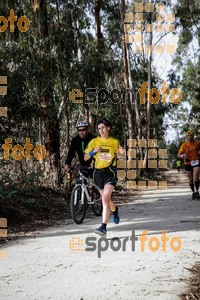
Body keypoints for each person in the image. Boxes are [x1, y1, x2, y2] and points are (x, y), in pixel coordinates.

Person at [84, 118, 125, 236]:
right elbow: (86, 157)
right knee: (106, 199)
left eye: (103, 128)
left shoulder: (114, 142)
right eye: (99, 128)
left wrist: (122, 152)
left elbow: (121, 155)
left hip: (110, 172)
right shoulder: (94, 141)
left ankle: (103, 227)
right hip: (98, 173)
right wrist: (93, 152)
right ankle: (115, 210)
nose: (101, 130)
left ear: (108, 128)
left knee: (106, 196)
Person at [177, 130, 200, 200]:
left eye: (191, 135)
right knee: (190, 179)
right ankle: (193, 192)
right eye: (188, 135)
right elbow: (178, 155)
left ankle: (197, 191)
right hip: (188, 162)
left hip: (196, 161)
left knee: (196, 176)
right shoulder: (184, 145)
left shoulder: (198, 143)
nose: (190, 137)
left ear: (193, 136)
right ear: (186, 136)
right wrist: (182, 156)